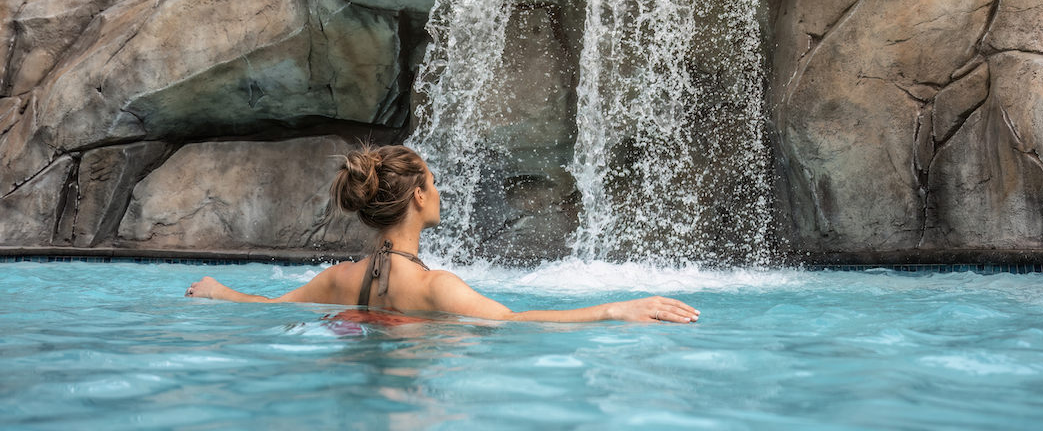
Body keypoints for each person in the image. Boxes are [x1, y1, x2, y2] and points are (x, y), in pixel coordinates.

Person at [185, 144, 700, 324]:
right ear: (417, 197)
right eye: (432, 182)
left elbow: (270, 307)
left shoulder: (338, 279)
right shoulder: (436, 287)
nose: (438, 190)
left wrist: (219, 291)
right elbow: (518, 321)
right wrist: (615, 308)